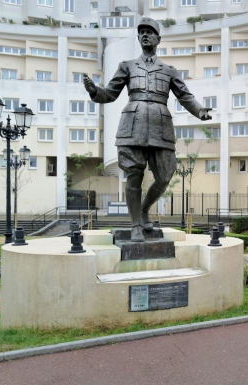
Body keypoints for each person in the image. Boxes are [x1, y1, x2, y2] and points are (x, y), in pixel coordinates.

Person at [82, 17, 212, 242]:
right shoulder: (127, 66)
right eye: (141, 31)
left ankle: (143, 210)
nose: (145, 35)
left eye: (149, 32)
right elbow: (110, 94)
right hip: (133, 126)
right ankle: (135, 225)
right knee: (134, 174)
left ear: (158, 38)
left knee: (164, 176)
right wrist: (95, 91)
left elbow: (185, 96)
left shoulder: (169, 70)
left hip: (161, 128)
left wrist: (199, 110)